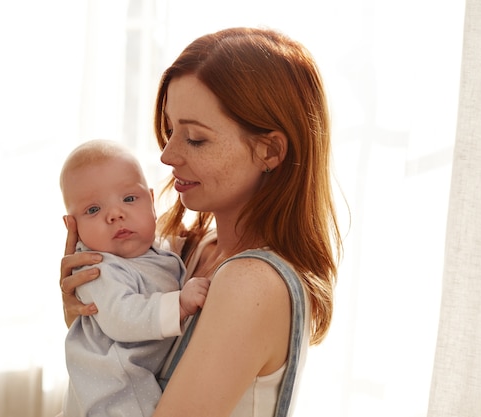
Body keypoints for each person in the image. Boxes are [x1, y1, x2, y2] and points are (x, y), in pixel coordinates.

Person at [59, 27, 343, 417]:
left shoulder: (251, 282)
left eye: (195, 138)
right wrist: (86, 311)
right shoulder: (185, 251)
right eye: (171, 129)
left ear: (269, 150)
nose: (168, 155)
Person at [58, 139, 211, 417]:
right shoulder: (98, 268)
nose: (115, 214)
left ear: (152, 203)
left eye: (129, 199)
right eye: (93, 210)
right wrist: (179, 304)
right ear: (74, 227)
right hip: (112, 394)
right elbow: (122, 317)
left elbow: (163, 260)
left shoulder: (159, 250)